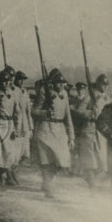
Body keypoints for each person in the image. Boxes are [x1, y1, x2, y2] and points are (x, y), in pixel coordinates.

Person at [30, 68, 75, 198]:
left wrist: (71, 137)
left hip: (60, 129)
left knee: (62, 161)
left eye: (63, 83)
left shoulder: (65, 94)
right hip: (45, 128)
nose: (61, 85)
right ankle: (48, 185)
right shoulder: (44, 92)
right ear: (53, 83)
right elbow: (34, 111)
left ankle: (47, 181)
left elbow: (68, 117)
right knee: (46, 160)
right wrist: (45, 113)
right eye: (58, 83)